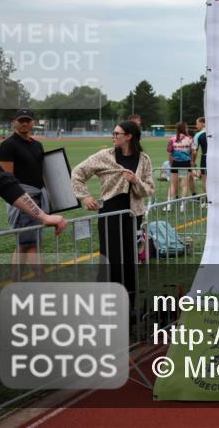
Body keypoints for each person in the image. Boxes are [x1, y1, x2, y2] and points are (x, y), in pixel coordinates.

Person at [0, 134, 67, 318]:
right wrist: (42, 215)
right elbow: (2, 180)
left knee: (25, 245)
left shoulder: (36, 145)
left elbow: (1, 181)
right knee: (28, 245)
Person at [71, 121, 155, 309]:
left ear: (129, 136)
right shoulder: (104, 156)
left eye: (117, 133)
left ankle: (129, 305)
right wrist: (84, 197)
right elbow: (77, 173)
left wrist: (135, 181)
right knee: (111, 259)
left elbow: (148, 190)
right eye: (114, 133)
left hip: (133, 215)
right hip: (110, 213)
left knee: (129, 260)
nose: (113, 136)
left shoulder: (144, 159)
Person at [0, 109, 47, 271]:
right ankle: (37, 285)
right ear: (14, 122)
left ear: (33, 122)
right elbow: (7, 180)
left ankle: (20, 284)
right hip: (23, 201)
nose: (24, 123)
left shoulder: (37, 145)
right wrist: (23, 201)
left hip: (38, 199)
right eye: (21, 120)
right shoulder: (7, 146)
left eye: (28, 120)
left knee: (29, 244)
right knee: (28, 245)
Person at [166, 122, 194, 210]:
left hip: (175, 163)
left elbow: (170, 153)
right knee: (184, 185)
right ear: (184, 128)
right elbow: (193, 151)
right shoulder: (189, 139)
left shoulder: (172, 139)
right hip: (185, 163)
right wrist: (192, 161)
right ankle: (183, 206)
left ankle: (169, 205)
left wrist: (171, 163)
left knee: (172, 185)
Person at [192, 117, 208, 194]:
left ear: (203, 123)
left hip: (205, 158)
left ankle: (208, 201)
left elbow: (194, 151)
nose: (196, 126)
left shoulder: (198, 135)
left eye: (197, 123)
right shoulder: (215, 132)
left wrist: (193, 162)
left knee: (205, 180)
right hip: (217, 159)